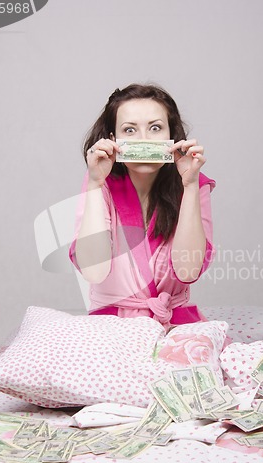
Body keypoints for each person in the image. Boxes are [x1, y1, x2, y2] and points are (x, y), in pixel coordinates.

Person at [69, 83, 216, 330]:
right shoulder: (100, 181)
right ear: (113, 140)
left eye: (155, 128)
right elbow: (93, 271)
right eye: (130, 130)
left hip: (174, 325)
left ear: (172, 136)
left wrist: (189, 187)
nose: (144, 140)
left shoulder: (194, 184)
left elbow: (188, 271)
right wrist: (95, 184)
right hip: (111, 326)